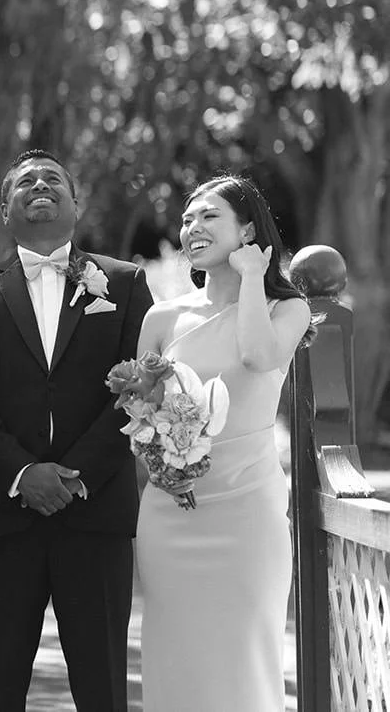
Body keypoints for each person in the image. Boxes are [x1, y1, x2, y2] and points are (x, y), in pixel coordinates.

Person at [0, 150, 152, 712]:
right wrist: (22, 473)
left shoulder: (126, 284)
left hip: (98, 512)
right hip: (4, 516)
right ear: (5, 214)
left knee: (103, 686)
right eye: (25, 182)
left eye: (53, 179)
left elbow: (142, 390)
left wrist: (77, 476)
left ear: (76, 205)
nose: (41, 185)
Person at [134, 175, 311, 711]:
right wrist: (161, 461)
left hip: (247, 511)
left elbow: (258, 357)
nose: (192, 227)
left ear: (248, 229)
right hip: (172, 512)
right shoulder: (162, 317)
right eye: (187, 219)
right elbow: (139, 417)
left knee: (244, 654)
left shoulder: (290, 310)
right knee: (175, 655)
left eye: (209, 216)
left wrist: (254, 276)